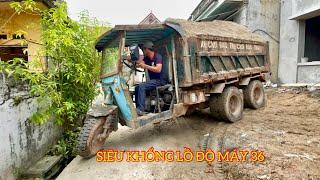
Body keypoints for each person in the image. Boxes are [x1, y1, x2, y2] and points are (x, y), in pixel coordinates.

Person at [135, 41, 168, 116]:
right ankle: (138, 109)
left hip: (160, 80)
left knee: (141, 86)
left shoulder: (157, 56)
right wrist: (135, 61)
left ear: (147, 49)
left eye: (143, 50)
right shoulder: (147, 58)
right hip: (153, 81)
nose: (143, 52)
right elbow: (140, 63)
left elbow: (158, 69)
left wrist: (145, 66)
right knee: (137, 88)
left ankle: (141, 109)